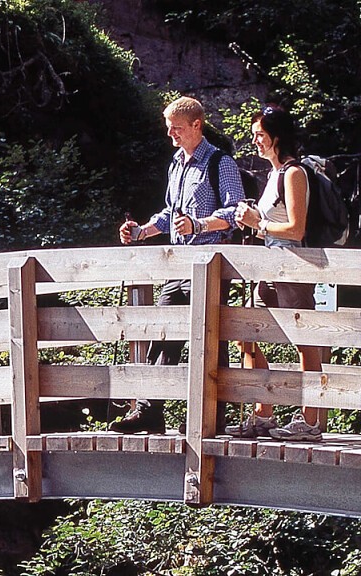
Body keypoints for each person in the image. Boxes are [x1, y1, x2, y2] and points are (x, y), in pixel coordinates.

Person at [112, 96, 245, 433]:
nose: (170, 133)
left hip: (210, 265)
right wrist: (142, 232)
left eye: (177, 127)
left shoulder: (221, 163)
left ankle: (214, 418)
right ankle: (149, 411)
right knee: (163, 334)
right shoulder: (176, 164)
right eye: (169, 126)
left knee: (212, 341)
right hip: (177, 267)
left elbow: (236, 212)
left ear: (196, 126)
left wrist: (198, 224)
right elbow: (170, 214)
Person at [226, 104, 323, 442]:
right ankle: (263, 413)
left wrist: (259, 222)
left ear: (276, 138)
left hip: (293, 266)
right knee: (245, 334)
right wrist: (252, 222)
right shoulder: (272, 175)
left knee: (303, 344)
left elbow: (296, 229)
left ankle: (311, 421)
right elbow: (272, 227)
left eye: (260, 136)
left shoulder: (294, 173)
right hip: (269, 266)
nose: (255, 141)